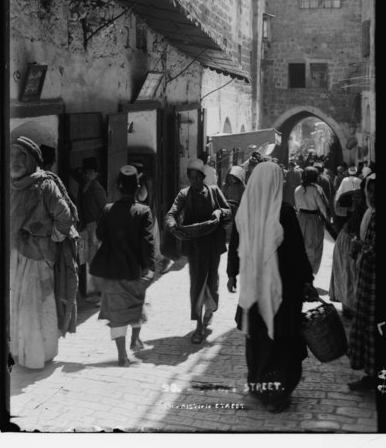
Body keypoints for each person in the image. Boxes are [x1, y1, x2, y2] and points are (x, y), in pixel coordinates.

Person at [226, 162, 318, 413]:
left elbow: (234, 245)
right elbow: (297, 253)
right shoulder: (284, 213)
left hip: (253, 287)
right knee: (279, 342)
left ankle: (259, 386)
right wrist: (307, 281)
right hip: (282, 291)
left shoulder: (245, 210)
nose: (285, 183)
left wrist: (232, 274)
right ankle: (276, 396)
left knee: (256, 338)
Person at [10, 136, 80, 369]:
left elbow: (65, 218)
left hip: (39, 258)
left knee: (37, 306)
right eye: (12, 155)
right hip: (17, 257)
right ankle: (23, 353)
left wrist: (49, 237)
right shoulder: (11, 185)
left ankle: (39, 355)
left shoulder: (45, 185)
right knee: (21, 306)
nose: (16, 161)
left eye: (22, 156)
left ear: (31, 159)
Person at [90, 166, 156, 366]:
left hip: (112, 272)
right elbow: (149, 242)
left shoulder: (108, 209)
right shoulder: (143, 211)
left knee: (117, 314)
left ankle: (121, 355)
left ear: (118, 187)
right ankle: (135, 339)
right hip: (135, 271)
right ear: (137, 187)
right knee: (136, 307)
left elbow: (98, 237)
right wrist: (150, 268)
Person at [165, 159, 231, 344]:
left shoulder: (214, 191)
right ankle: (199, 327)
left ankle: (210, 308)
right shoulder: (184, 194)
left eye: (197, 177)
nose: (194, 181)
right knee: (197, 282)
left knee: (212, 280)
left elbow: (228, 211)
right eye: (191, 177)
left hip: (212, 245)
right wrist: (171, 224)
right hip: (194, 247)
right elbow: (172, 213)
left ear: (203, 177)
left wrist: (219, 212)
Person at [347, 173, 378, 391]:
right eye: (370, 190)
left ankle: (375, 375)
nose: (372, 194)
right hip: (368, 277)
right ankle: (370, 373)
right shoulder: (371, 213)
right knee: (368, 325)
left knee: (373, 327)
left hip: (375, 280)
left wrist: (361, 247)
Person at [73, 157, 108, 300]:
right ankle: (96, 291)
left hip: (96, 226)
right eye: (85, 173)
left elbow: (104, 209)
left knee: (96, 260)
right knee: (89, 259)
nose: (87, 175)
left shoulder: (97, 188)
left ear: (96, 174)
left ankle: (102, 293)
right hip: (87, 226)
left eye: (90, 173)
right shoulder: (84, 187)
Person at [329, 185, 367, 317]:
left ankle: (350, 306)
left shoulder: (368, 206)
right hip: (348, 241)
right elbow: (337, 212)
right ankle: (348, 306)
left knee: (350, 274)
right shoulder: (349, 199)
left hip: (352, 241)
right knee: (347, 273)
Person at [294, 166, 330, 276]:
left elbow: (297, 206)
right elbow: (322, 207)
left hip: (300, 218)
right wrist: (327, 219)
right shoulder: (315, 190)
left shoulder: (297, 189)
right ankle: (310, 273)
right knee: (313, 247)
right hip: (314, 219)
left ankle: (301, 271)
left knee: (301, 245)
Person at [333, 166, 362, 232]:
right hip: (357, 207)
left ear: (348, 173)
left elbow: (339, 193)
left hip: (346, 207)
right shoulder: (360, 181)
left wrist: (336, 205)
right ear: (356, 173)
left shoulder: (345, 180)